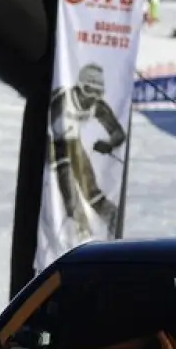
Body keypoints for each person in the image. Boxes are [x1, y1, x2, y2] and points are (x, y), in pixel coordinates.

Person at [47, 64, 127, 238]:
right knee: (65, 172)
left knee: (89, 184)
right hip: (51, 141)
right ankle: (78, 224)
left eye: (98, 93)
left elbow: (118, 133)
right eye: (89, 90)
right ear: (80, 86)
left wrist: (109, 144)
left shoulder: (97, 106)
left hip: (72, 141)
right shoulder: (63, 99)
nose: (91, 98)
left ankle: (111, 218)